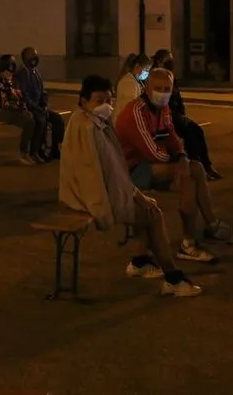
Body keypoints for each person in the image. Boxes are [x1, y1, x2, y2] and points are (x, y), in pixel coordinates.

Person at [60, 74, 202, 297]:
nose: (106, 105)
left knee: (148, 209)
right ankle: (173, 278)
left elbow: (114, 172)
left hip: (101, 191)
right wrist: (130, 198)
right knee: (153, 213)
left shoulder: (93, 122)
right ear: (83, 101)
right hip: (92, 197)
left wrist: (135, 194)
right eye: (99, 101)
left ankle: (141, 262)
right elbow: (98, 176)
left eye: (108, 100)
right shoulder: (88, 129)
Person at [115, 68, 233, 261]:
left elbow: (172, 136)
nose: (163, 93)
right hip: (132, 170)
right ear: (147, 88)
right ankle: (189, 243)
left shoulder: (163, 107)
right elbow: (152, 152)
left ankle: (210, 226)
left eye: (167, 89)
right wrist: (179, 165)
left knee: (195, 170)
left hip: (152, 165)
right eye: (158, 88)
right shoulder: (136, 112)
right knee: (187, 177)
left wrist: (182, 156)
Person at [151, 49, 222, 180]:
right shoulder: (156, 77)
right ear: (160, 62)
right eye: (168, 59)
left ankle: (206, 165)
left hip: (176, 115)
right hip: (165, 117)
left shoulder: (170, 76)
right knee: (190, 134)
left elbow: (178, 98)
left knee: (198, 130)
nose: (171, 62)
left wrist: (182, 113)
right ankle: (197, 167)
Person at [0, 54, 45, 165]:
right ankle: (23, 154)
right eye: (7, 72)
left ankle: (33, 152)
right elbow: (5, 104)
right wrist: (20, 108)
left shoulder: (11, 82)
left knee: (34, 118)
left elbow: (20, 97)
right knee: (29, 121)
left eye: (10, 73)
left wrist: (23, 107)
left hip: (12, 110)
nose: (9, 75)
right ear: (2, 70)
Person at [14, 47, 64, 160]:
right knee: (40, 121)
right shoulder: (21, 74)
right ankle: (35, 151)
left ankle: (55, 149)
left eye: (35, 55)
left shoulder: (36, 73)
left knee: (57, 119)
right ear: (24, 58)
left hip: (39, 107)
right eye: (31, 56)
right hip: (29, 107)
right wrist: (36, 107)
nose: (34, 58)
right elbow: (24, 95)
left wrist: (44, 104)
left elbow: (43, 92)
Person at [114, 53, 151, 124]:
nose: (147, 73)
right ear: (137, 66)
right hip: (125, 121)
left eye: (148, 70)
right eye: (146, 69)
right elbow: (131, 105)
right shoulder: (129, 82)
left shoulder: (136, 81)